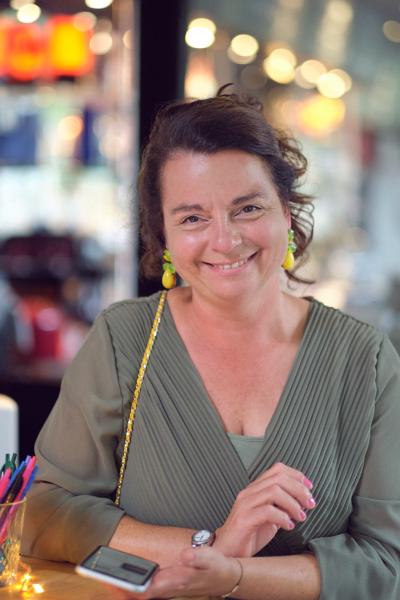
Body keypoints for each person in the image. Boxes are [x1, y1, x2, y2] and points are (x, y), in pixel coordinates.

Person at [22, 89, 400, 600]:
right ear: (165, 236)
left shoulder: (366, 360)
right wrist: (211, 543)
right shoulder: (123, 340)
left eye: (248, 208)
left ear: (287, 214)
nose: (225, 240)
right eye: (192, 218)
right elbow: (44, 513)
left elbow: (388, 562)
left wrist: (233, 574)